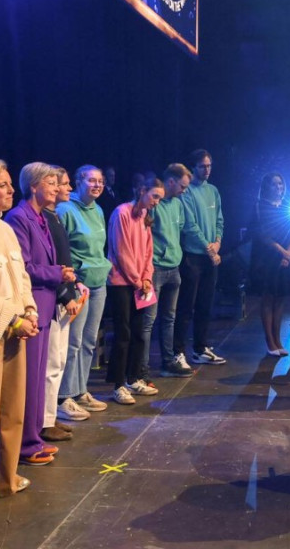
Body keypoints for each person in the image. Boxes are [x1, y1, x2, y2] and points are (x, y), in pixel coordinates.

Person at [5, 163, 74, 464]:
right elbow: (25, 267)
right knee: (29, 379)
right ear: (33, 186)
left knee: (36, 377)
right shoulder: (20, 218)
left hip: (45, 306)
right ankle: (24, 443)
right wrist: (57, 273)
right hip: (31, 305)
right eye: (50, 182)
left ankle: (32, 437)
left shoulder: (42, 218)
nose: (57, 187)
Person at [0, 159, 35, 513]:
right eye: (3, 184)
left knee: (11, 410)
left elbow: (21, 276)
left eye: (9, 184)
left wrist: (29, 310)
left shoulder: (5, 229)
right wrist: (11, 319)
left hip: (16, 328)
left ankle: (6, 478)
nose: (10, 190)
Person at [55, 165, 111, 420]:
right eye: (91, 180)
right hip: (79, 283)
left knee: (89, 341)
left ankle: (81, 390)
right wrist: (73, 280)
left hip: (99, 282)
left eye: (100, 181)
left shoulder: (98, 209)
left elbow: (99, 248)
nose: (97, 185)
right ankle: (64, 396)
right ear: (78, 182)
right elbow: (61, 249)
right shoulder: (66, 209)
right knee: (73, 342)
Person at [106, 178, 164, 405]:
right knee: (124, 334)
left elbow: (149, 252)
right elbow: (122, 252)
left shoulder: (144, 218)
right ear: (142, 191)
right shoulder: (121, 213)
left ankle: (133, 378)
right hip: (122, 283)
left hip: (141, 283)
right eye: (154, 196)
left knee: (140, 332)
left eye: (159, 198)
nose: (157, 202)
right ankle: (118, 384)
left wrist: (147, 277)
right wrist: (138, 280)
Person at [41, 167, 82, 441]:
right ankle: (44, 421)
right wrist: (65, 294)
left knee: (59, 360)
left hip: (63, 292)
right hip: (54, 297)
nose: (62, 189)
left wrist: (72, 287)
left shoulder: (54, 217)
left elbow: (63, 259)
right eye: (57, 184)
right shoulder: (43, 218)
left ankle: (50, 417)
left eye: (63, 184)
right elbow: (50, 263)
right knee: (51, 363)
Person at [174, 150, 227, 366]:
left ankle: (200, 348)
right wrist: (209, 248)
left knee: (206, 303)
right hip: (193, 256)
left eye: (209, 165)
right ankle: (178, 351)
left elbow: (220, 221)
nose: (207, 170)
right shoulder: (187, 192)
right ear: (193, 168)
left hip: (210, 256)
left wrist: (217, 242)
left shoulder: (213, 191)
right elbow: (190, 225)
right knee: (187, 305)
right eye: (202, 166)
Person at [142, 164, 194, 378]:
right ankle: (141, 368)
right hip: (155, 269)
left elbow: (179, 230)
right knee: (148, 320)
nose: (184, 190)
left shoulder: (178, 204)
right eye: (182, 186)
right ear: (171, 181)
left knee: (169, 318)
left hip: (174, 268)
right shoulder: (153, 203)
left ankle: (168, 361)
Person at [249, 173, 290, 357]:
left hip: (286, 258)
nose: (279, 187)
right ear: (267, 186)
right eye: (275, 184)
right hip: (266, 258)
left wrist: (289, 253)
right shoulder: (259, 207)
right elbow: (262, 234)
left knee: (281, 298)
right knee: (268, 298)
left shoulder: (287, 207)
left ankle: (278, 339)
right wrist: (282, 252)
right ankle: (270, 341)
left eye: (281, 184)